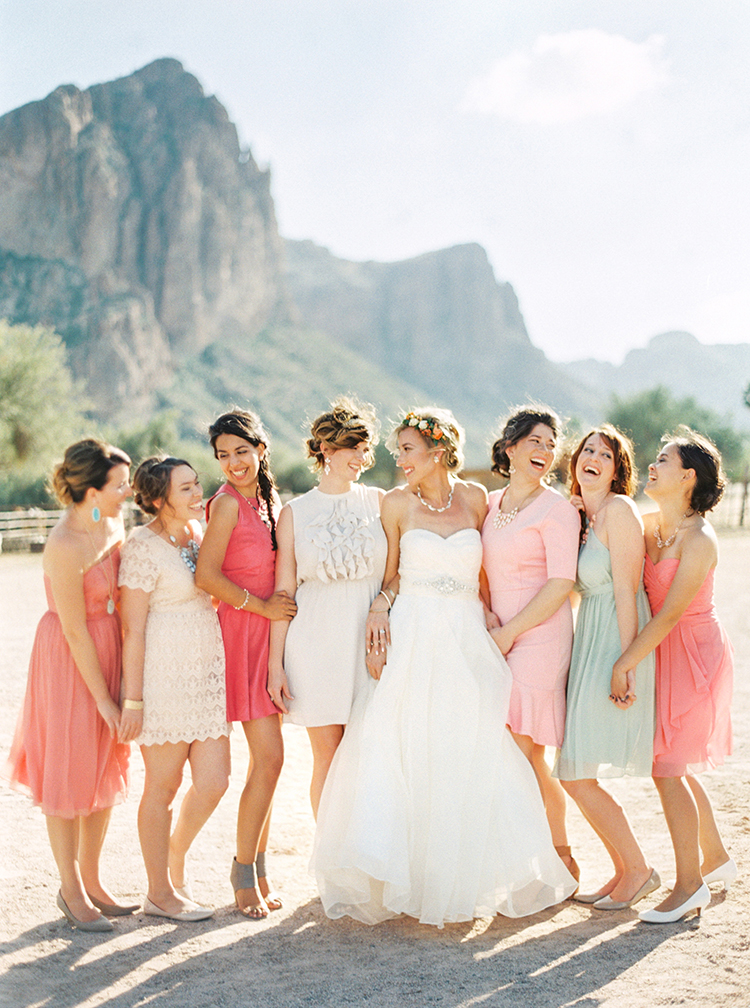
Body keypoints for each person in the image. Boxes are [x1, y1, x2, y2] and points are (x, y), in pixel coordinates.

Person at [311, 409, 577, 927]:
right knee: (404, 744)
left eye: (406, 449)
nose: (397, 459)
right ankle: (402, 875)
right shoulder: (394, 504)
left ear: (436, 452)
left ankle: (467, 874)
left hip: (466, 636)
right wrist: (377, 610)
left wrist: (492, 615)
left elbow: (487, 569)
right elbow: (390, 578)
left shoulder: (478, 499)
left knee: (469, 744)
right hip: (412, 631)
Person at [6, 439, 133, 931]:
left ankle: (94, 879)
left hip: (110, 648)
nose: (127, 492)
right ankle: (70, 888)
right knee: (67, 771)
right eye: (119, 484)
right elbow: (74, 628)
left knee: (103, 767)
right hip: (69, 658)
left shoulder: (113, 523)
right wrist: (103, 699)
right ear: (92, 489)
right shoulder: (63, 543)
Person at [613, 428, 734, 924]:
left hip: (693, 653)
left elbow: (667, 617)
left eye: (662, 460)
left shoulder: (700, 539)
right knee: (673, 763)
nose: (651, 466)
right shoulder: (647, 526)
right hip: (664, 652)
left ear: (687, 476)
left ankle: (689, 888)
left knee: (666, 768)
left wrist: (624, 662)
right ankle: (717, 858)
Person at [119, 457, 231, 922]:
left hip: (207, 678)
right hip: (164, 682)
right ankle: (159, 893)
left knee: (214, 782)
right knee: (162, 788)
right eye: (184, 489)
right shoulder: (141, 547)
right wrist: (134, 699)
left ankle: (175, 859)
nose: (196, 493)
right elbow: (133, 630)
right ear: (159, 498)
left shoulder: (198, 534)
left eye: (196, 484)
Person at [194, 410, 296, 919]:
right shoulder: (226, 506)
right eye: (223, 455)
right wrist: (260, 609)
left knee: (269, 764)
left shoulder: (272, 501)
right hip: (240, 636)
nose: (233, 463)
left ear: (261, 448)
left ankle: (258, 868)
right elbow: (207, 577)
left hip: (271, 640)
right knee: (270, 760)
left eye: (241, 451)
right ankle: (241, 873)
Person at [552, 426, 659, 909]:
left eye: (606, 455)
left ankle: (637, 868)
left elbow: (625, 590)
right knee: (575, 768)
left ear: (618, 471)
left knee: (575, 771)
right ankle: (625, 871)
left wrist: (626, 662)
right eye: (587, 451)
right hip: (589, 634)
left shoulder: (619, 511)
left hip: (616, 636)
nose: (593, 458)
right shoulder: (582, 515)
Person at [268, 398, 386, 817]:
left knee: (369, 756)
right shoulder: (295, 513)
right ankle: (331, 861)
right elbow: (284, 592)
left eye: (365, 447)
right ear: (326, 450)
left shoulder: (380, 501)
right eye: (352, 446)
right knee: (329, 758)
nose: (361, 456)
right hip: (314, 646)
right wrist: (274, 666)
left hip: (370, 645)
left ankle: (365, 858)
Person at [480, 406, 580, 882]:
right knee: (513, 750)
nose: (544, 450)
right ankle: (540, 856)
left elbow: (561, 584)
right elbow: (479, 569)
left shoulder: (558, 509)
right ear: (510, 447)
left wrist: (508, 631)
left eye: (549, 443)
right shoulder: (490, 504)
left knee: (524, 751)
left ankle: (553, 857)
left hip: (540, 636)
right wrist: (485, 616)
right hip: (498, 633)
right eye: (534, 441)